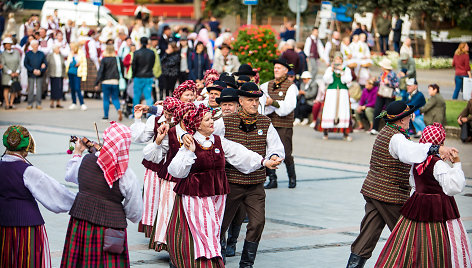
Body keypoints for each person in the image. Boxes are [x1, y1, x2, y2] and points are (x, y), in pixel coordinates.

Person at [346, 101, 458, 268]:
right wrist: (437, 149)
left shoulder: (386, 132)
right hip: (390, 195)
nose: (410, 119)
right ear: (401, 120)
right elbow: (411, 152)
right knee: (409, 237)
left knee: (367, 237)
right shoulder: (397, 138)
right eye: (408, 116)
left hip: (374, 192)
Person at [168, 103, 282, 267]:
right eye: (207, 120)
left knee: (214, 230)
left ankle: (213, 261)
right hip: (195, 196)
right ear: (197, 125)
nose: (211, 122)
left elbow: (240, 153)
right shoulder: (189, 143)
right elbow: (176, 171)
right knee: (202, 232)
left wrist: (264, 161)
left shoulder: (219, 141)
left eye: (211, 119)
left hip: (217, 195)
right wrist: (190, 151)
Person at [375, 122, 471, 267]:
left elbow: (413, 183)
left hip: (418, 203)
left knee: (412, 240)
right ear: (441, 142)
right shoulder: (438, 164)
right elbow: (454, 187)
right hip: (438, 207)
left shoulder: (417, 161)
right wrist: (457, 164)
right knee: (437, 242)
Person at [213, 82, 285, 266]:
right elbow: (211, 141)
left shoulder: (265, 122)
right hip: (231, 182)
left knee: (258, 222)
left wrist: (275, 155)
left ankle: (246, 263)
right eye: (250, 100)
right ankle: (217, 256)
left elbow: (275, 146)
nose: (254, 103)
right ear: (241, 101)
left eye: (256, 100)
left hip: (255, 185)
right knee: (221, 224)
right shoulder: (224, 122)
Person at [61, 122, 143, 267]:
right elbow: (135, 213)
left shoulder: (85, 161)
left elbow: (70, 175)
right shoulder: (128, 176)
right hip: (111, 231)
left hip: (81, 224)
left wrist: (77, 153)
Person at [0, 125, 76, 268]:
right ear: (27, 146)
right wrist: (79, 202)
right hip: (27, 227)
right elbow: (56, 194)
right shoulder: (27, 171)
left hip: (3, 225)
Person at [130, 96, 181, 239]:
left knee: (168, 201)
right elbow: (142, 138)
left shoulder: (183, 124)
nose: (168, 116)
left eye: (171, 114)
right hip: (156, 164)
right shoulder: (155, 120)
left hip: (173, 167)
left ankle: (166, 235)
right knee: (153, 197)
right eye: (166, 113)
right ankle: (154, 233)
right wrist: (138, 120)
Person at [316, 53, 353, 141]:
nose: (338, 61)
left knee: (343, 111)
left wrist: (342, 72)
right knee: (329, 110)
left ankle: (345, 133)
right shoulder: (330, 69)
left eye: (339, 59)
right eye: (336, 59)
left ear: (342, 60)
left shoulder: (346, 69)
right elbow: (326, 80)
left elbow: (347, 80)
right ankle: (326, 132)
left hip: (342, 92)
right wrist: (332, 70)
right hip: (331, 93)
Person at [95, 44, 124, 121]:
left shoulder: (104, 60)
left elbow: (100, 71)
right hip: (115, 81)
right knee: (115, 98)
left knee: (106, 99)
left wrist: (97, 82)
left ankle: (106, 115)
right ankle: (118, 109)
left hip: (106, 81)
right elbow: (122, 70)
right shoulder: (118, 59)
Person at [371, 58, 399, 135]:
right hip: (381, 94)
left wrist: (388, 83)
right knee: (377, 110)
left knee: (389, 112)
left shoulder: (393, 74)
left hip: (389, 95)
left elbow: (397, 84)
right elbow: (379, 83)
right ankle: (374, 128)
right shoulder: (382, 74)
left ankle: (389, 130)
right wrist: (374, 82)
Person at [132, 37, 156, 108]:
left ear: (140, 43)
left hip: (138, 76)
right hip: (148, 75)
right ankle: (150, 112)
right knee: (148, 95)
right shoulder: (151, 53)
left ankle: (135, 111)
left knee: (136, 95)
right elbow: (152, 64)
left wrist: (133, 75)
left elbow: (134, 66)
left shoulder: (136, 53)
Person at [24, 39, 47, 110]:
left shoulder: (41, 54)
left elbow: (45, 63)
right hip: (31, 74)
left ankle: (38, 103)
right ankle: (30, 103)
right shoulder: (28, 54)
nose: (36, 46)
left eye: (37, 45)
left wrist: (41, 70)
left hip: (39, 74)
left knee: (39, 89)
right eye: (34, 45)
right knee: (30, 89)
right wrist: (32, 70)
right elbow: (26, 64)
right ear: (31, 46)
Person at [65, 42, 87, 111]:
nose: (71, 48)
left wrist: (84, 74)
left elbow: (84, 64)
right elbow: (69, 63)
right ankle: (74, 103)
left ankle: (82, 103)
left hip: (78, 73)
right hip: (70, 73)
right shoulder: (71, 53)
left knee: (77, 88)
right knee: (72, 88)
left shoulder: (81, 53)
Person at [1, 37, 21, 109]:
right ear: (4, 45)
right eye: (7, 44)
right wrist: (10, 72)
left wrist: (17, 72)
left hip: (15, 73)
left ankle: (11, 103)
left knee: (13, 89)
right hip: (7, 75)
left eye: (9, 44)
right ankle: (6, 103)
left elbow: (19, 63)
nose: (8, 45)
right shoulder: (3, 54)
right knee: (6, 89)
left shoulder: (16, 52)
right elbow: (3, 64)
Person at [46, 44, 66, 109]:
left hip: (60, 74)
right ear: (54, 49)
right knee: (53, 89)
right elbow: (47, 64)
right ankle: (52, 102)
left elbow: (63, 66)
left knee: (60, 89)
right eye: (57, 48)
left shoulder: (61, 56)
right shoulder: (50, 56)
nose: (58, 50)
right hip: (53, 74)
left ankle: (58, 102)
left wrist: (65, 74)